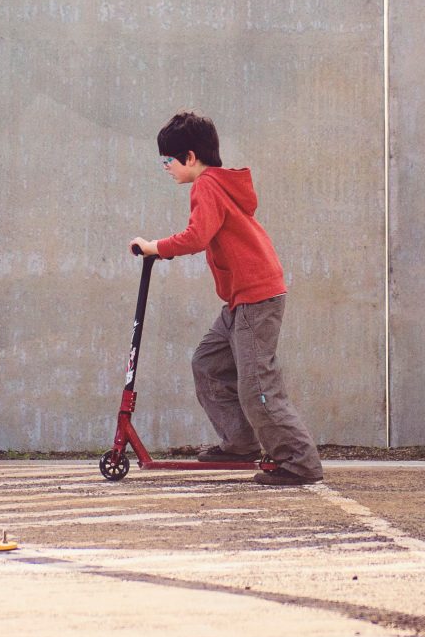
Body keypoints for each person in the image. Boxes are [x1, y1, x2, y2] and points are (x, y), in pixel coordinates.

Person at [130, 111, 326, 486]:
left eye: (167, 160)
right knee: (208, 363)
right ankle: (239, 442)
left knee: (258, 385)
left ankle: (300, 462)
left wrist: (154, 247)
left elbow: (196, 236)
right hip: (243, 299)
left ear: (189, 157)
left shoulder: (206, 186)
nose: (165, 168)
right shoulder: (219, 184)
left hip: (256, 298)